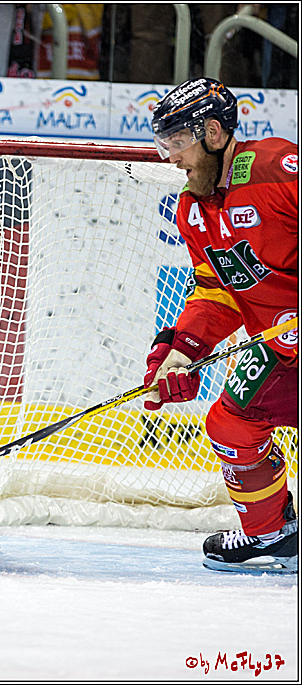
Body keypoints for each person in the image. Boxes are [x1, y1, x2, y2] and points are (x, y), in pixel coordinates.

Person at [147, 77, 298, 574]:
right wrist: (182, 350)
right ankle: (272, 534)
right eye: (163, 144)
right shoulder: (194, 212)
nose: (170, 157)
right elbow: (216, 292)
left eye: (177, 142)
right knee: (231, 420)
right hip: (284, 348)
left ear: (213, 132)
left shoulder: (276, 167)